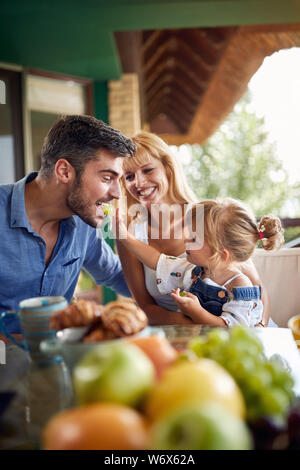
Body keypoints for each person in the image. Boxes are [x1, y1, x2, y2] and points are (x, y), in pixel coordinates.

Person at [0, 115, 136, 335]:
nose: (117, 193)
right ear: (64, 171)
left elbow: (118, 276)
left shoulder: (84, 225)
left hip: (58, 362)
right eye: (107, 178)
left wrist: (187, 281)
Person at [118, 131, 271, 326]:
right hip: (179, 333)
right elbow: (145, 306)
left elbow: (257, 290)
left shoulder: (207, 218)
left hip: (242, 332)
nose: (138, 183)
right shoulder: (129, 235)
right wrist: (189, 322)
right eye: (129, 176)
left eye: (147, 170)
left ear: (168, 168)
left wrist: (260, 330)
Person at [116, 198, 284, 327]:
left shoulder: (240, 286)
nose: (186, 239)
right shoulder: (192, 271)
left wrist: (196, 311)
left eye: (194, 238)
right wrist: (125, 236)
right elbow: (156, 260)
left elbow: (231, 330)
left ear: (220, 254)